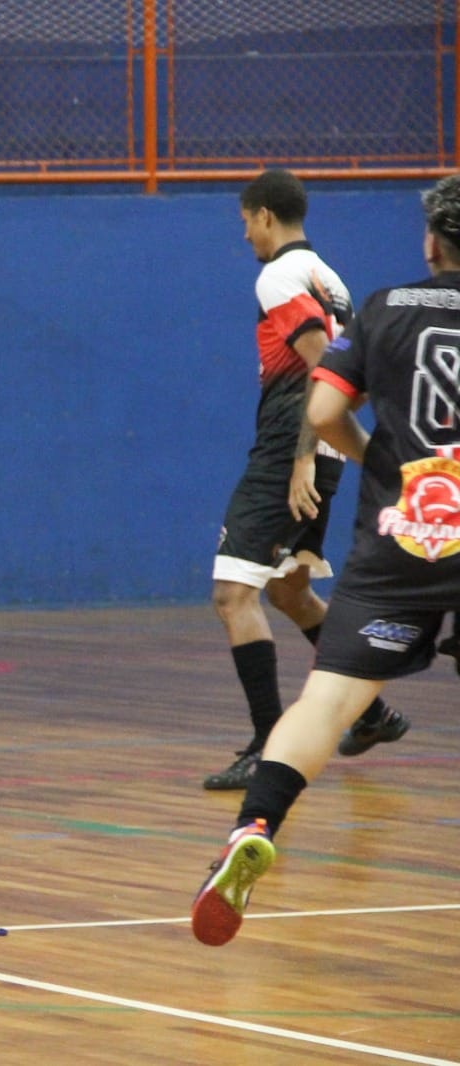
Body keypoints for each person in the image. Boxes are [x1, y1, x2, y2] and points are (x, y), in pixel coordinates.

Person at [191, 174, 460, 946]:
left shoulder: (382, 307)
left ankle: (257, 820)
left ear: (431, 243)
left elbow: (322, 403)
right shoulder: (333, 280)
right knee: (284, 596)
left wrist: (374, 458)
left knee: (322, 695)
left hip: (406, 524)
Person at [203, 168, 410, 791]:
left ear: (265, 215)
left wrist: (300, 455)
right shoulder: (330, 278)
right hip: (322, 450)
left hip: (292, 450)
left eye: (245, 223)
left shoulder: (278, 276)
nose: (245, 237)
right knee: (290, 591)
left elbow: (320, 366)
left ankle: (268, 745)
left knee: (232, 595)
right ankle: (371, 712)